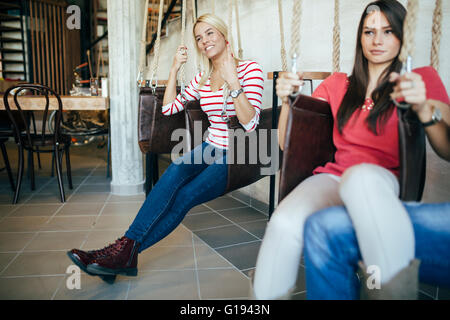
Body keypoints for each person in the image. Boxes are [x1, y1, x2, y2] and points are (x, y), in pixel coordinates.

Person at [252, 0, 450, 300]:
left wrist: (424, 108)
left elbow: (446, 149)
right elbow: (285, 143)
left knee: (360, 178)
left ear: (401, 35)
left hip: (380, 179)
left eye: (387, 31)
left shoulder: (418, 79)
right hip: (333, 178)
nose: (377, 40)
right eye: (369, 32)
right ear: (360, 37)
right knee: (283, 222)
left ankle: (391, 292)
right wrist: (287, 102)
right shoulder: (338, 84)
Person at [67, 14, 264, 281]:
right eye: (198, 37)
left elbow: (251, 125)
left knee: (184, 197)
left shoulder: (250, 69)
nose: (204, 41)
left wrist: (234, 83)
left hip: (236, 152)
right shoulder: (204, 79)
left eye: (209, 33)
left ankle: (120, 254)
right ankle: (122, 254)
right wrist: (173, 69)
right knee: (175, 170)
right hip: (210, 146)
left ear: (223, 35)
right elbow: (170, 107)